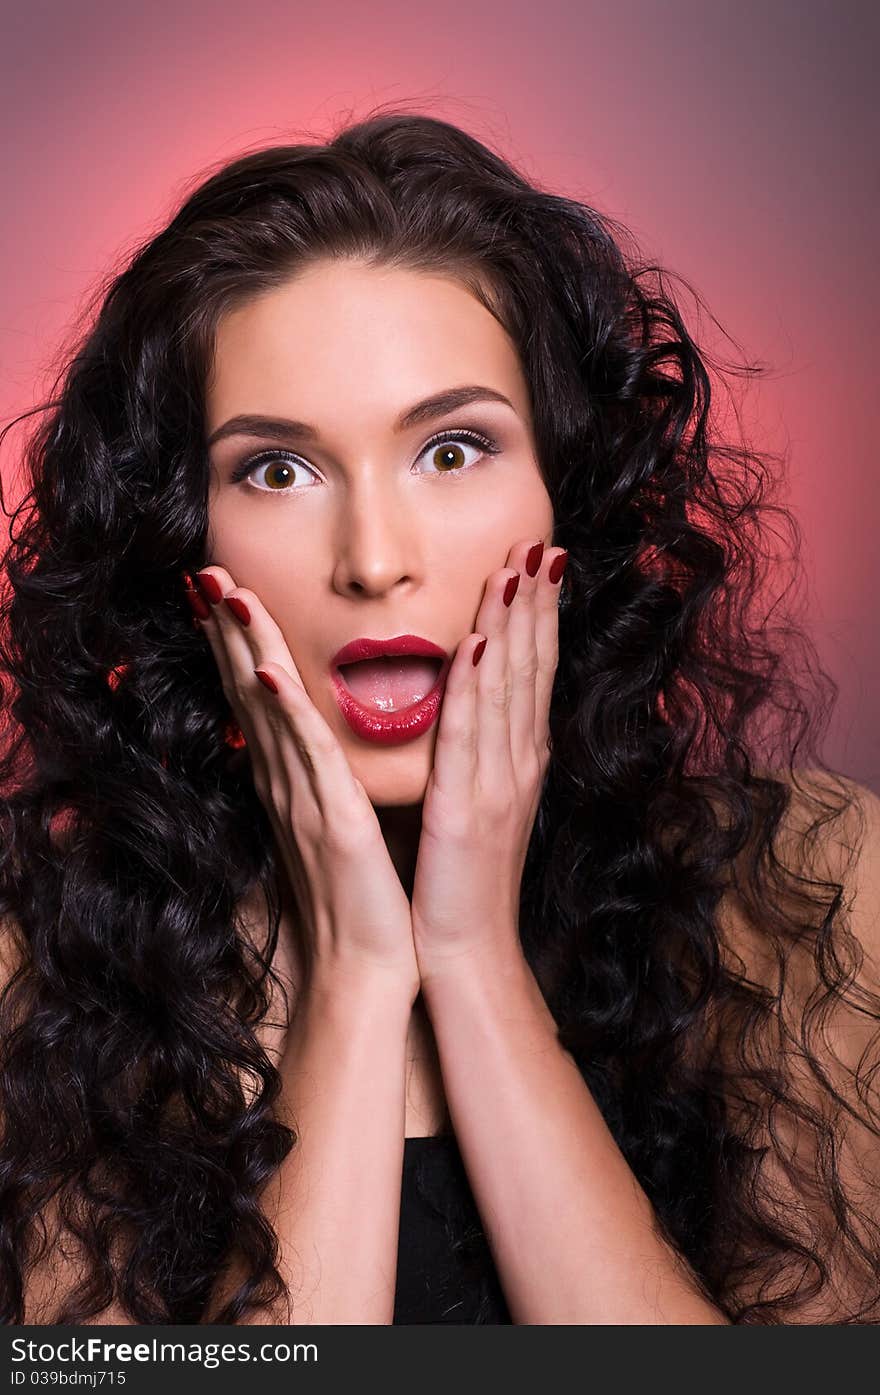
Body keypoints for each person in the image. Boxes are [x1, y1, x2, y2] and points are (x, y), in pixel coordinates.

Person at [0, 108, 879, 1327]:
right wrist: (358, 984)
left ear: (567, 491)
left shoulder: (808, 889)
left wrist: (473, 963)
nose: (374, 561)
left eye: (453, 450)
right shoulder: (35, 961)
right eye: (278, 470)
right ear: (181, 532)